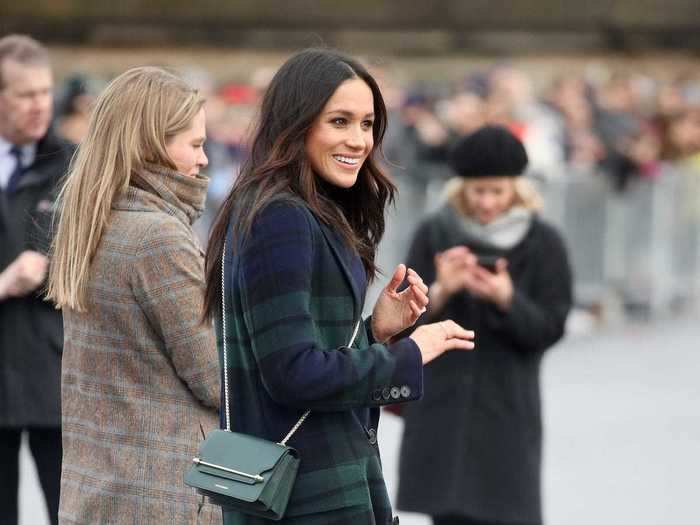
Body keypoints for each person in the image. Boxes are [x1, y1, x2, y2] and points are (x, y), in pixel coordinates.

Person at [202, 48, 476, 525]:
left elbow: (302, 352)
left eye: (367, 124)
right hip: (308, 493)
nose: (359, 140)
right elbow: (292, 373)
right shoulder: (281, 216)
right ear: (297, 124)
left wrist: (374, 331)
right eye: (340, 121)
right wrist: (410, 354)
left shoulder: (288, 209)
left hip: (307, 483)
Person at [47, 66, 222, 524]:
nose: (204, 160)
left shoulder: (92, 221)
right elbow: (213, 377)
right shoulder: (158, 237)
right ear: (151, 144)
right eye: (195, 144)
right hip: (163, 493)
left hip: (97, 487)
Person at [396, 125, 573, 525]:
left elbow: (551, 326)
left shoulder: (544, 242)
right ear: (461, 189)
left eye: (497, 191)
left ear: (516, 189)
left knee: (507, 511)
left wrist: (506, 299)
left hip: (507, 407)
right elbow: (402, 324)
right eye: (478, 191)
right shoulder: (435, 232)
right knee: (448, 512)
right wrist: (441, 290)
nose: (487, 202)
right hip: (444, 405)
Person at [0, 34, 73, 525]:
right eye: (25, 94)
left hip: (56, 369)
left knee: (69, 511)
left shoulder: (74, 162)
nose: (39, 105)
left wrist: (56, 266)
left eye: (45, 91)